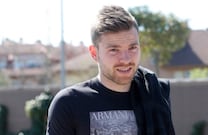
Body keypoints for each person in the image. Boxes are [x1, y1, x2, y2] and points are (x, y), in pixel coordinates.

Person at [46, 5, 175, 135]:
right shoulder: (69, 102)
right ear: (94, 53)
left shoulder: (154, 94)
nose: (125, 59)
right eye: (114, 50)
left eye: (132, 48)